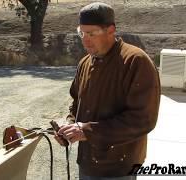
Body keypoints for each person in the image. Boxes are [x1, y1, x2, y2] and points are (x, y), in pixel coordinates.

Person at [54, 2, 161, 180]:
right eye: (81, 33)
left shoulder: (136, 61)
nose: (85, 40)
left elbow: (143, 119)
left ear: (111, 30)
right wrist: (68, 127)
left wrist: (87, 131)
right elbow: (76, 104)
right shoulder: (85, 63)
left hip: (118, 168)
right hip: (87, 163)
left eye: (91, 33)